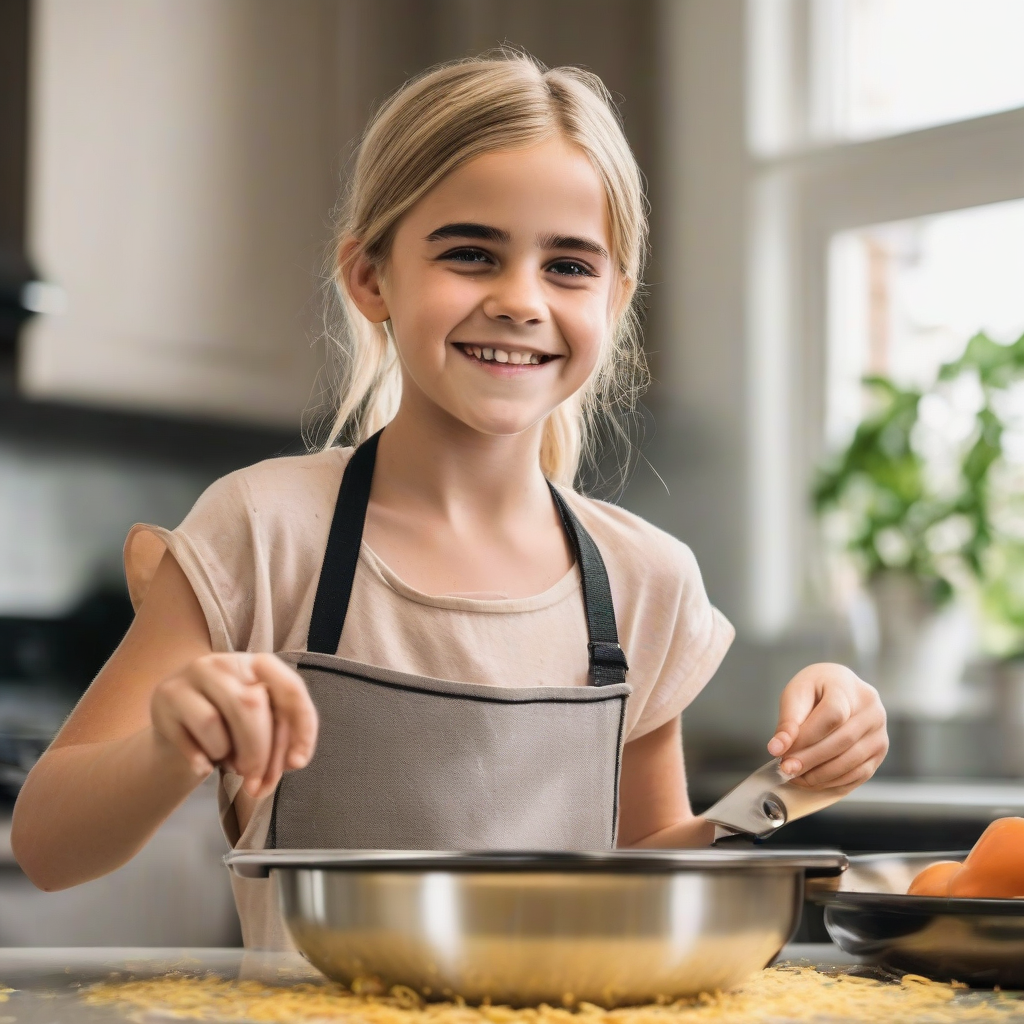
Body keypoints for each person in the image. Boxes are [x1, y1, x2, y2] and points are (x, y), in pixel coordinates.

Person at [11, 52, 888, 949]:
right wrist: (171, 745)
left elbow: (643, 876)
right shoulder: (265, 530)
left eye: (570, 266)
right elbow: (46, 847)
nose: (519, 300)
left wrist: (790, 789)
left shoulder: (646, 580)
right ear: (370, 277)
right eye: (471, 254)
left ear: (616, 299)